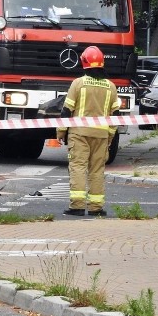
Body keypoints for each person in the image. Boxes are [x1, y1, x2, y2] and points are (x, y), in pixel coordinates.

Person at [56, 46, 120, 217]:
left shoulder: (78, 83)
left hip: (79, 134)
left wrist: (61, 132)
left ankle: (77, 206)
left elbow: (66, 111)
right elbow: (116, 115)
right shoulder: (111, 86)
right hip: (101, 135)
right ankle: (96, 207)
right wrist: (110, 136)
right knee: (97, 170)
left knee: (78, 168)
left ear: (84, 62)